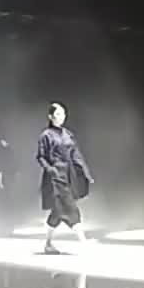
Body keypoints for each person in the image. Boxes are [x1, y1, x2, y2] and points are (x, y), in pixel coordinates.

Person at [36, 102, 94, 254]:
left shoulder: (67, 134)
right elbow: (41, 157)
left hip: (68, 176)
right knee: (71, 208)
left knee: (57, 212)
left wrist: (85, 172)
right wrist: (51, 170)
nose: (61, 117)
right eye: (58, 114)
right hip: (55, 178)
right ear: (50, 116)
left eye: (63, 114)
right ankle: (83, 242)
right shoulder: (46, 135)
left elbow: (76, 155)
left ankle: (48, 244)